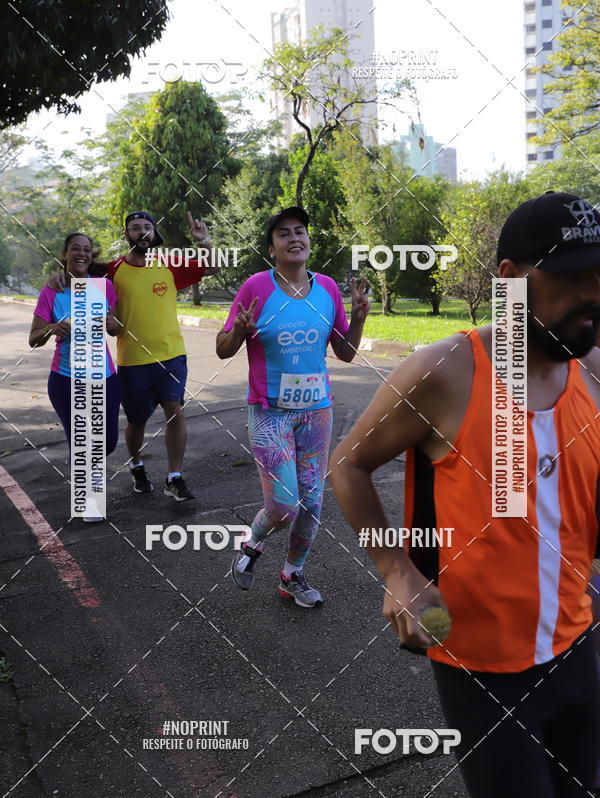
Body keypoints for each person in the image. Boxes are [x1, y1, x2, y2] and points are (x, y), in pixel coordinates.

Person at [330, 191, 600, 797]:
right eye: (572, 278)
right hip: (482, 666)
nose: (594, 294)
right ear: (510, 279)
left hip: (577, 643)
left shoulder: (591, 367)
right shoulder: (444, 372)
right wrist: (395, 570)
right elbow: (347, 466)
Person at [217, 206, 369, 607]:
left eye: (300, 231)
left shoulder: (328, 289)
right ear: (272, 248)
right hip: (270, 413)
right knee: (284, 506)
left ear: (308, 240)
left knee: (313, 502)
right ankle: (252, 543)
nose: (294, 238)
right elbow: (221, 348)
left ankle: (292, 574)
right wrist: (239, 330)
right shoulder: (255, 287)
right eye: (283, 234)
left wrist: (358, 319)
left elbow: (346, 352)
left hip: (316, 411)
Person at [48, 210, 218, 502]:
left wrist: (204, 242)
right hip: (132, 361)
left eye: (147, 227)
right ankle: (137, 465)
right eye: (135, 228)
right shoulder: (112, 270)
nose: (142, 232)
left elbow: (213, 269)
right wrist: (58, 274)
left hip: (172, 355)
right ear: (127, 235)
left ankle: (174, 477)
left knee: (175, 411)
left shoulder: (170, 264)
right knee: (136, 421)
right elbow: (79, 269)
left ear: (154, 234)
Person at [29, 233, 121, 522]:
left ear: (91, 257)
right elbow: (34, 339)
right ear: (65, 254)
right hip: (67, 379)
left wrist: (113, 323)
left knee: (106, 441)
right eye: (75, 249)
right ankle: (89, 500)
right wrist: (51, 329)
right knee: (82, 439)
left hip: (105, 377)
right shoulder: (52, 292)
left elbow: (117, 326)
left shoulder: (104, 286)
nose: (82, 254)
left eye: (87, 250)